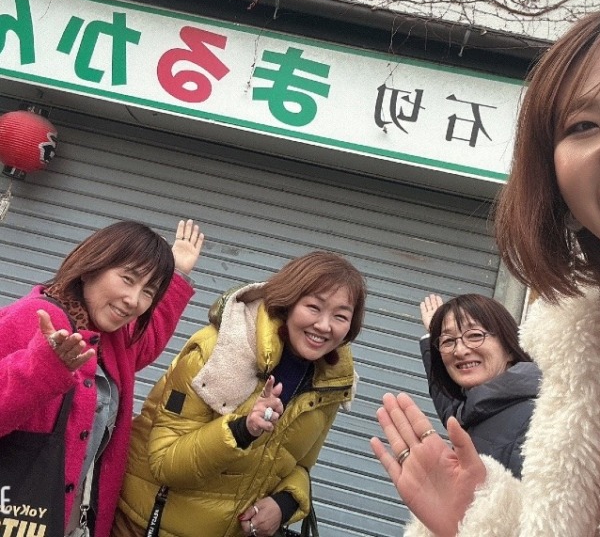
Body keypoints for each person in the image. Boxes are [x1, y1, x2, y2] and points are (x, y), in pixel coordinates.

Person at [370, 9, 600, 537]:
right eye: (584, 125)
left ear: (511, 342)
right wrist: (481, 519)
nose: (460, 350)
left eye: (475, 335)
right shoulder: (555, 387)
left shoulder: (528, 406)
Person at [111, 251, 367, 537]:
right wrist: (243, 429)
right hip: (146, 525)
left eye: (340, 316)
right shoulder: (217, 352)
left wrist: (285, 503)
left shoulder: (330, 383)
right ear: (289, 302)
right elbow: (164, 463)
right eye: (314, 307)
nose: (324, 325)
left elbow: (299, 466)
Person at [0, 218, 204, 537]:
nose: (133, 300)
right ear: (91, 267)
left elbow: (147, 341)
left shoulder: (112, 337)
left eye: (148, 291)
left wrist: (177, 275)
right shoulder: (34, 318)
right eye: (127, 279)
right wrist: (42, 369)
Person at [419, 293, 539, 478]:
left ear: (509, 347)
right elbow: (452, 410)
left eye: (475, 335)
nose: (459, 351)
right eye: (448, 341)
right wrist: (432, 336)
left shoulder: (535, 421)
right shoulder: (476, 410)